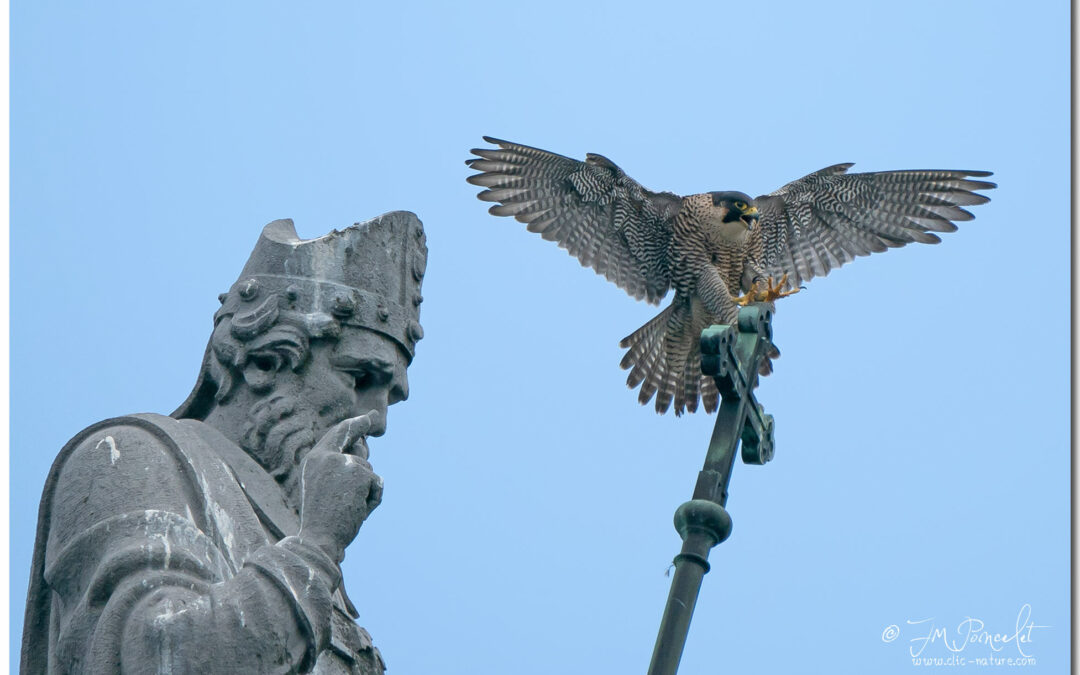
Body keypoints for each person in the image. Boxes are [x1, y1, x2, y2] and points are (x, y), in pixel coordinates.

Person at [21, 213, 427, 674]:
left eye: (391, 396)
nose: (377, 422)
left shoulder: (307, 549)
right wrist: (317, 547)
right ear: (266, 362)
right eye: (360, 377)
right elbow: (157, 658)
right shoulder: (131, 457)